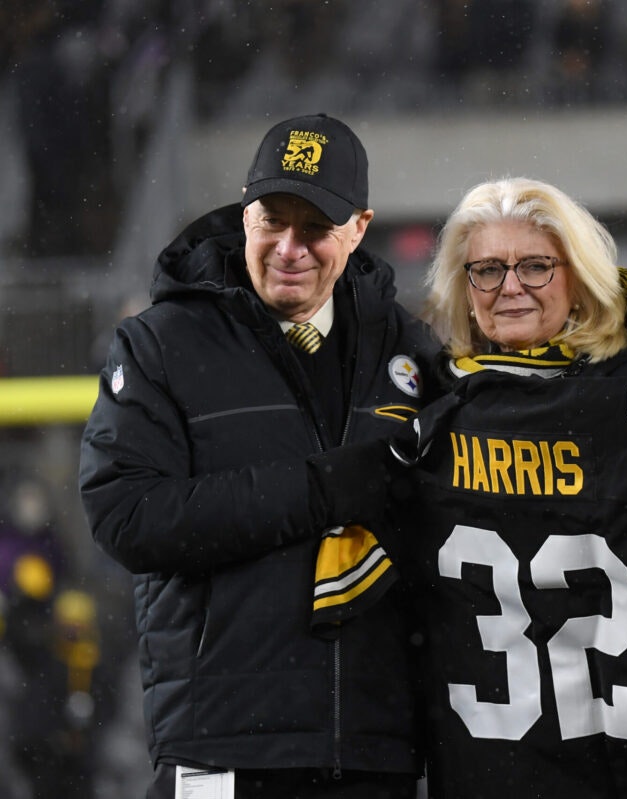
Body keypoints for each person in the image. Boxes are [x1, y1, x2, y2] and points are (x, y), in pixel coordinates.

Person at [312, 177, 627, 798]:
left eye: (536, 266)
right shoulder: (423, 427)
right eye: (487, 270)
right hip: (501, 770)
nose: (510, 287)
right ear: (464, 290)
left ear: (578, 276)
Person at [78, 113, 442, 799]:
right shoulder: (160, 344)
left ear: (360, 227)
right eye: (272, 219)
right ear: (245, 212)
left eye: (315, 227)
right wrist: (321, 489)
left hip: (377, 748)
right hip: (225, 745)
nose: (288, 247)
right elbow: (125, 515)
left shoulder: (410, 347)